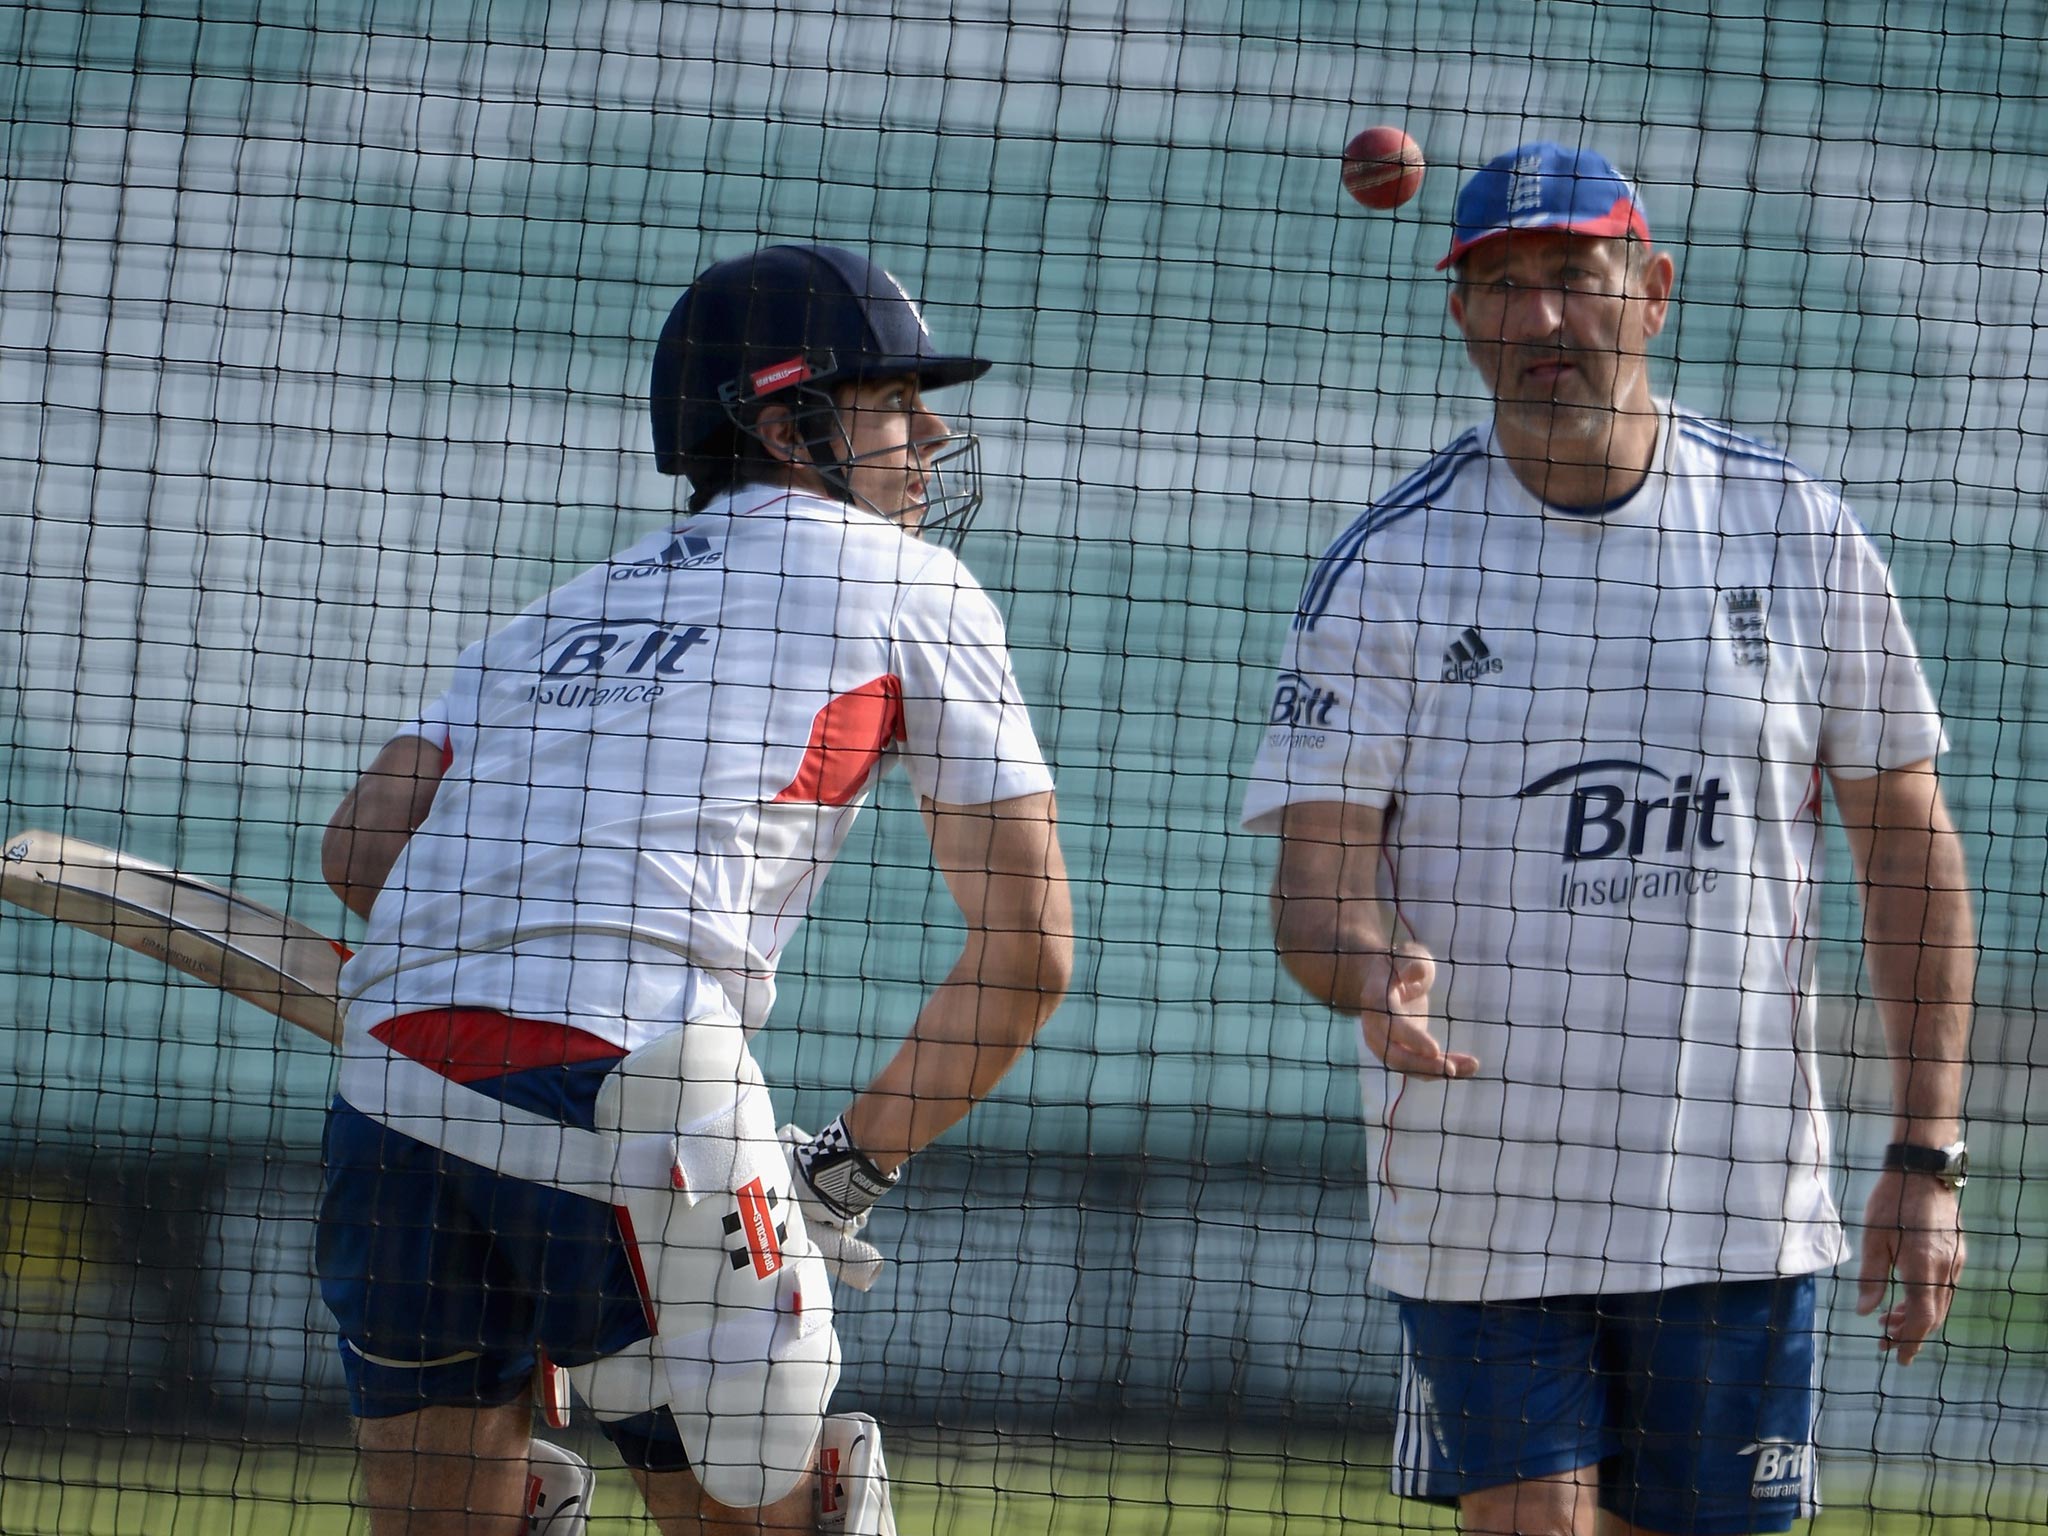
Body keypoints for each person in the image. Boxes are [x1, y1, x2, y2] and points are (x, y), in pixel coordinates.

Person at [1242, 143, 1973, 1536]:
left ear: (1653, 292)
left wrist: (1924, 1155)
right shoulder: (1387, 567)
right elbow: (1316, 885)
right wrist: (1370, 970)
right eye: (1500, 288)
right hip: (1482, 1201)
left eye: (1573, 281)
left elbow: (1908, 851)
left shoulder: (1795, 533)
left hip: (1737, 1201)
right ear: (1459, 316)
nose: (1539, 321)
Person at [317, 243, 1074, 1536]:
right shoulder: (912, 583)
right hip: (642, 1091)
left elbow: (358, 850)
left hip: (389, 1091)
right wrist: (844, 1168)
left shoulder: (554, 617)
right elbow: (1030, 954)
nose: (932, 431)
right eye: (895, 400)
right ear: (790, 426)